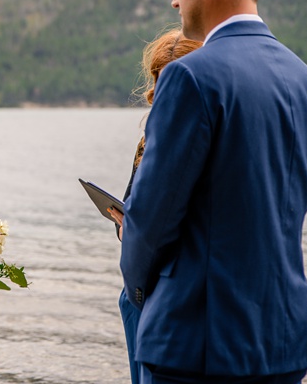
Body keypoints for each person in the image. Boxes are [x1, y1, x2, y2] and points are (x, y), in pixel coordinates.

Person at [119, 0, 307, 384]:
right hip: (285, 341)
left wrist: (139, 295)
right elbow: (294, 204)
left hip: (200, 344)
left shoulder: (192, 77)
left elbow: (151, 221)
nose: (175, 1)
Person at [108, 28, 202, 384]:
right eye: (159, 79)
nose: (164, 91)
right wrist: (124, 224)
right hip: (137, 291)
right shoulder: (148, 139)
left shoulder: (203, 133)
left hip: (173, 293)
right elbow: (136, 198)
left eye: (173, 78)